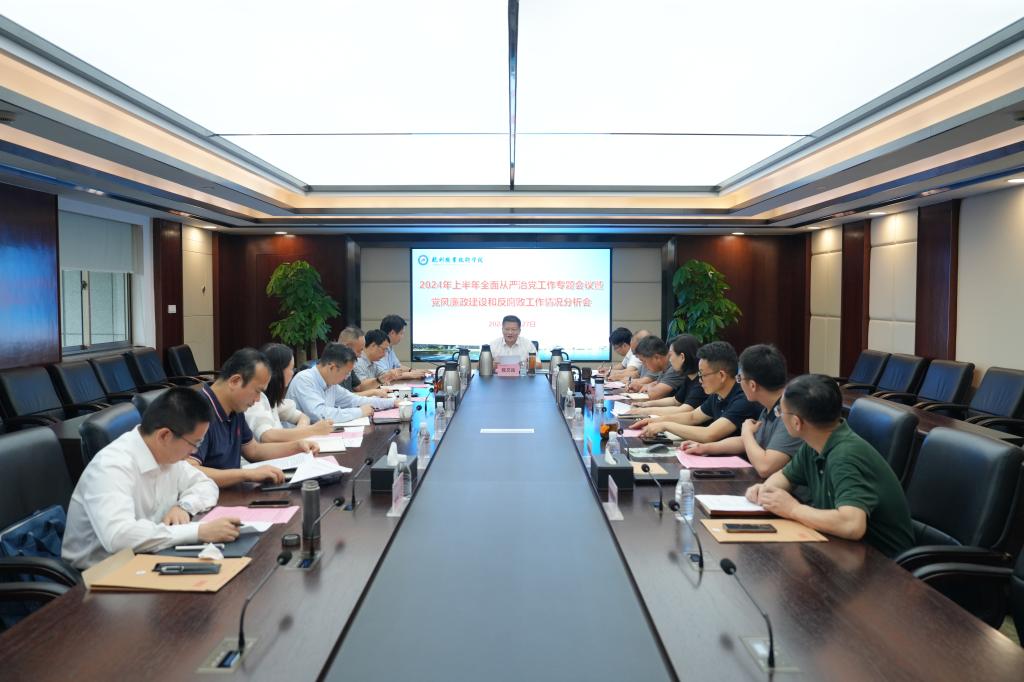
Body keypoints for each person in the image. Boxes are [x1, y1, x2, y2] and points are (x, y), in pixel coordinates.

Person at [62, 387, 240, 569]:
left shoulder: (168, 455)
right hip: (102, 570)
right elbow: (119, 537)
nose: (195, 451)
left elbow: (206, 484)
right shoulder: (111, 466)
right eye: (194, 443)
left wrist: (184, 507)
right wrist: (197, 531)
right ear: (164, 435)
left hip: (149, 556)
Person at [745, 374, 914, 558]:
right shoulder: (814, 443)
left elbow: (852, 525)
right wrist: (764, 491)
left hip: (883, 562)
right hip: (841, 548)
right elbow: (785, 476)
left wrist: (793, 509)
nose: (779, 415)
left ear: (796, 422)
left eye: (780, 412)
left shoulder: (845, 456)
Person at [191, 348, 319, 488]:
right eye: (257, 391)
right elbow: (190, 471)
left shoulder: (235, 407)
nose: (258, 399)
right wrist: (247, 474)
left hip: (233, 491)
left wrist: (296, 446)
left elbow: (253, 450)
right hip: (211, 496)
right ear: (235, 381)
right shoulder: (197, 411)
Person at [680, 344, 802, 478]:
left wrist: (747, 432)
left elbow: (765, 467)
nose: (738, 383)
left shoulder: (789, 414)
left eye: (739, 378)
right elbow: (748, 441)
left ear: (752, 385)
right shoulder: (769, 408)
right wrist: (705, 447)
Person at [638, 341, 761, 443]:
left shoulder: (743, 399)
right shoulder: (717, 394)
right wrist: (654, 421)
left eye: (702, 375)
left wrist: (665, 425)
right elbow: (692, 417)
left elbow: (709, 434)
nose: (700, 380)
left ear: (722, 375)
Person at [244, 343, 334, 443]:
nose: (293, 372)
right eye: (291, 368)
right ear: (278, 371)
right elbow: (268, 436)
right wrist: (311, 430)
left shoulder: (271, 399)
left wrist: (299, 433)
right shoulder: (255, 399)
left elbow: (303, 417)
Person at [288, 342, 396, 422]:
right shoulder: (304, 380)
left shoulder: (331, 384)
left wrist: (392, 402)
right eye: (346, 373)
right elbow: (320, 415)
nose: (346, 378)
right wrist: (359, 412)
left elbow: (354, 400)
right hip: (297, 441)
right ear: (332, 368)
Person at [625, 334, 704, 417]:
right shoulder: (689, 378)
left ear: (682, 357)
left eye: (671, 355)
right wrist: (645, 404)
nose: (669, 359)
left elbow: (684, 410)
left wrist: (644, 411)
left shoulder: (701, 381)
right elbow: (675, 401)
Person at [337, 326, 389, 396]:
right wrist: (373, 392)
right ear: (347, 347)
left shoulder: (347, 364)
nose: (360, 355)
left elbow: (359, 387)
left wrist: (379, 380)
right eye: (358, 351)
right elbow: (343, 398)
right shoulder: (334, 366)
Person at [378, 314, 429, 381]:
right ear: (392, 333)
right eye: (401, 333)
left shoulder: (389, 347)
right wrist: (410, 375)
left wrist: (413, 370)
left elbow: (398, 366)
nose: (402, 337)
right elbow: (384, 375)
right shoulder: (379, 349)